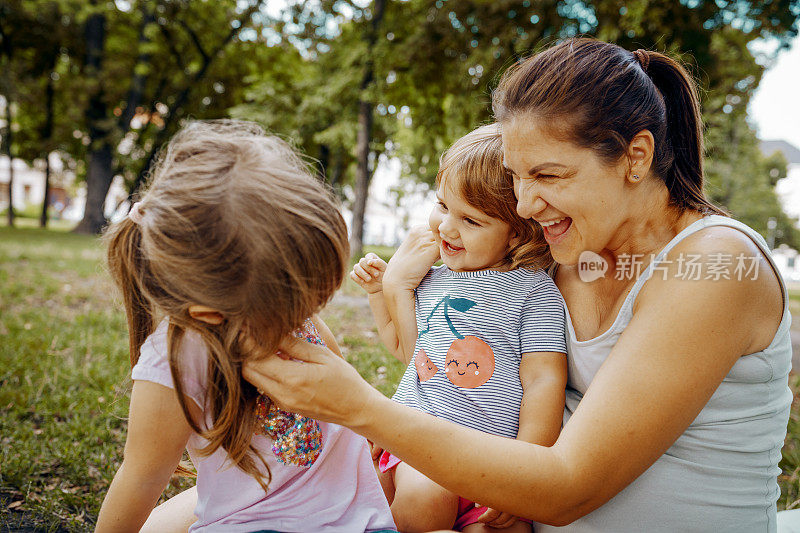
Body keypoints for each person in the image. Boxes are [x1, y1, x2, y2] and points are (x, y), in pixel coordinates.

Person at [243, 38, 792, 532]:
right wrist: (396, 289)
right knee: (224, 509)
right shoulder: (560, 255)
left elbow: (566, 487)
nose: (526, 204)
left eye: (549, 175)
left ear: (637, 156)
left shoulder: (718, 264)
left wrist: (361, 409)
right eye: (517, 176)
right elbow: (453, 360)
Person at [94, 120, 396, 533]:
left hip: (361, 522)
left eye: (314, 301)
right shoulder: (176, 361)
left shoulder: (285, 304)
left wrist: (372, 427)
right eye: (299, 306)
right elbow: (141, 477)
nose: (308, 316)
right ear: (208, 313)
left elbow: (348, 395)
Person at [350, 124, 567, 532]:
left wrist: (523, 472)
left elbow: (543, 381)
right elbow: (404, 347)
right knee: (421, 499)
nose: (446, 226)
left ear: (517, 231)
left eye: (470, 220)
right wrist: (382, 292)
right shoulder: (432, 279)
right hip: (420, 446)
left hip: (487, 464)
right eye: (442, 205)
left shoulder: (535, 292)